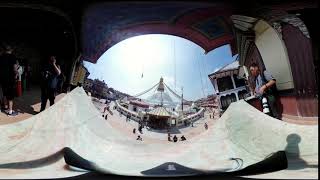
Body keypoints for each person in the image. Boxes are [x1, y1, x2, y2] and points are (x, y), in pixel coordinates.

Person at [0, 45, 19, 116]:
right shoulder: (12, 57)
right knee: (10, 94)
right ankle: (10, 111)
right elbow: (14, 68)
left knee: (4, 92)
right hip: (10, 78)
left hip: (2, 78)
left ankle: (5, 106)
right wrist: (17, 73)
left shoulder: (1, 57)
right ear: (11, 50)